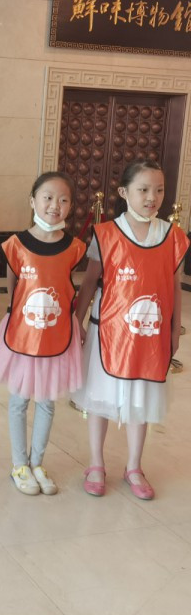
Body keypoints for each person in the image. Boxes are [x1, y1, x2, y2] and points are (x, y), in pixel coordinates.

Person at [72, 160, 188, 500]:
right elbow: (89, 282)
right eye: (144, 189)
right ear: (124, 192)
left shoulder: (172, 236)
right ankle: (96, 463)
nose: (152, 197)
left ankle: (134, 466)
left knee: (142, 399)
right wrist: (77, 320)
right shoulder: (107, 233)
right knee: (100, 397)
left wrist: (174, 330)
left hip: (149, 337)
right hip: (108, 332)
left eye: (159, 190)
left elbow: (174, 287)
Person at [0, 172, 86, 495]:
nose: (55, 205)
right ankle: (19, 464)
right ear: (33, 201)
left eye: (63, 199)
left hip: (57, 334)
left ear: (70, 206)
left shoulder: (74, 248)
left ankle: (38, 462)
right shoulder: (16, 245)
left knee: (47, 401)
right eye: (48, 197)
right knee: (19, 401)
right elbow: (13, 288)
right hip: (23, 335)